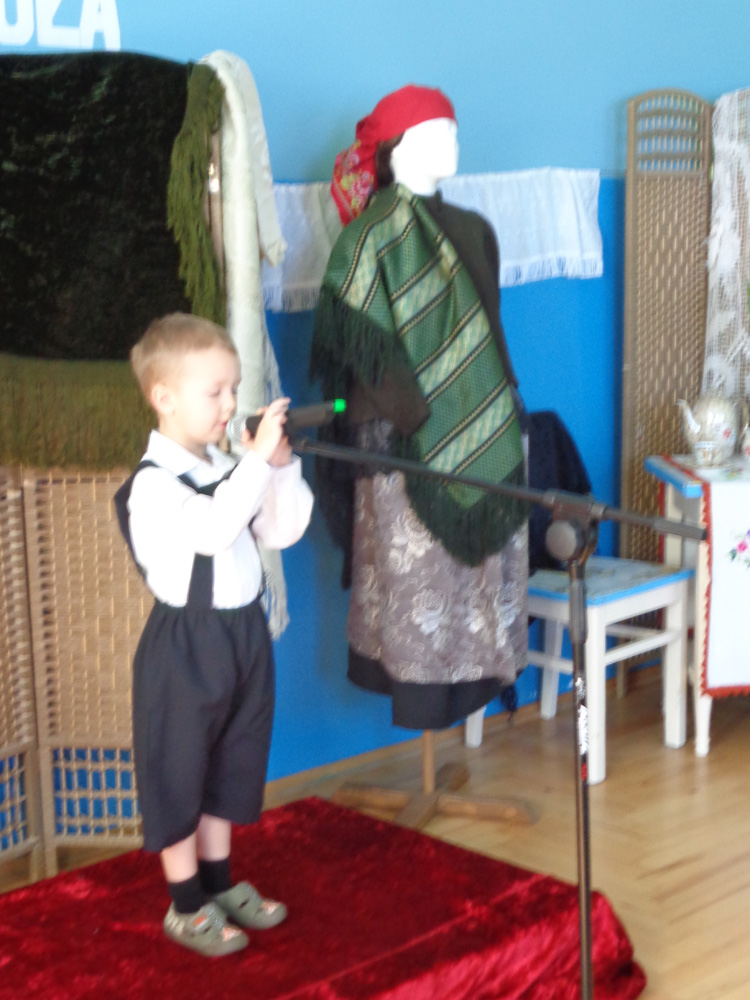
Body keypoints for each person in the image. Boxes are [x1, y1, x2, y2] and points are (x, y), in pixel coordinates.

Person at [310, 85, 529, 731]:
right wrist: (425, 423)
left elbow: (490, 331)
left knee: (478, 584)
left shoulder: (475, 230)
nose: (453, 142)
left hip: (487, 431)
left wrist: (494, 416)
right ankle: (422, 704)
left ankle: (475, 686)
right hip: (405, 444)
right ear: (397, 146)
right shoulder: (365, 240)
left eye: (453, 129)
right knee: (420, 587)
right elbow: (361, 351)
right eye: (437, 131)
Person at [115, 312, 313, 957]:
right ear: (164, 397)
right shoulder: (152, 485)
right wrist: (254, 465)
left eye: (234, 388)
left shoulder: (229, 464)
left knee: (232, 761)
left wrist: (278, 466)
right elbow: (212, 529)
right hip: (187, 647)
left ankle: (221, 884)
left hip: (243, 635)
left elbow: (280, 530)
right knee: (179, 770)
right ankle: (185, 904)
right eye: (215, 392)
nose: (230, 405)